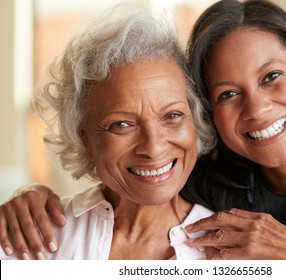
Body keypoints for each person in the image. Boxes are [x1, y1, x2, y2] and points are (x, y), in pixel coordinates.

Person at [1, 0, 286, 260]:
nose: (256, 108)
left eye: (272, 76)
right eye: (228, 94)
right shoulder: (209, 188)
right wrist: (26, 195)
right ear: (207, 115)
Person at [0, 2, 217, 260]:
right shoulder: (32, 238)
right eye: (122, 124)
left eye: (172, 116)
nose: (154, 147)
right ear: (85, 139)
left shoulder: (235, 251)